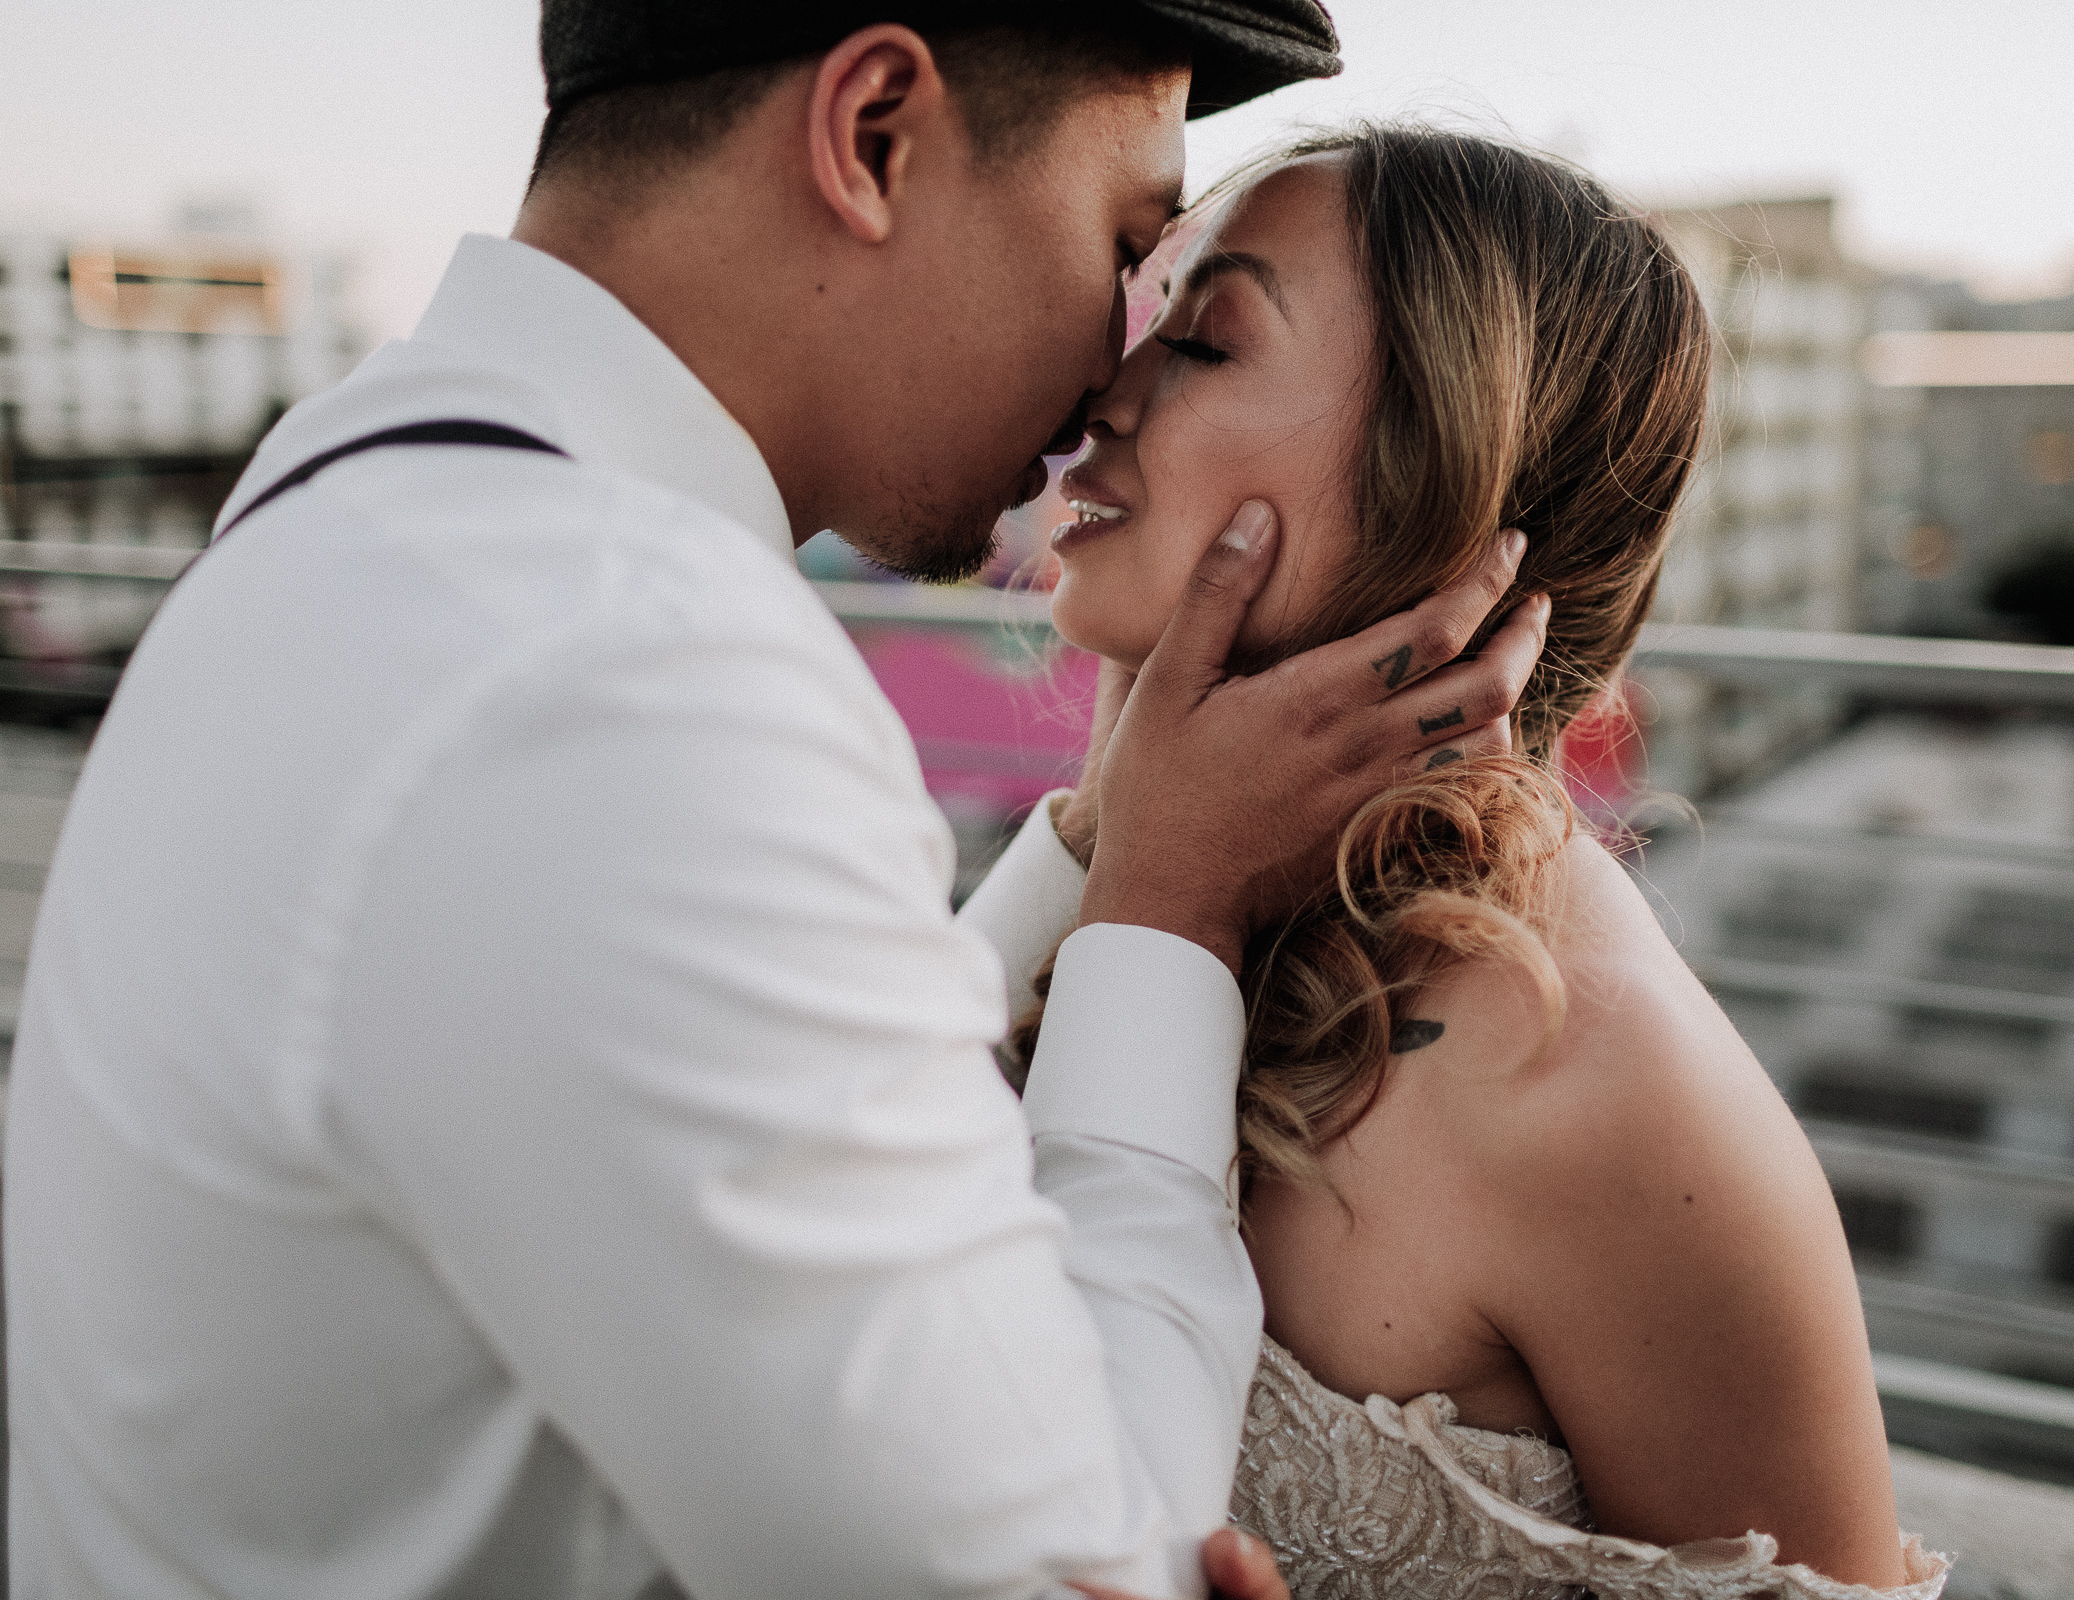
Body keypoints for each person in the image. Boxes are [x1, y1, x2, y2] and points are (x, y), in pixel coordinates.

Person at [2, 8, 1554, 1598]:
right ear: (874, 133)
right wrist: (1171, 912)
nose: (1113, 360)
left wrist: (1102, 848)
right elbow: (1091, 1562)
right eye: (1121, 241)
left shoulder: (359, 496)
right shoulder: (621, 673)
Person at [991, 128, 1953, 1597]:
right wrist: (1118, 831)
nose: (1098, 394)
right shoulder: (1135, 887)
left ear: (1439, 470)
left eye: (1202, 341)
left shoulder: (1595, 1082)